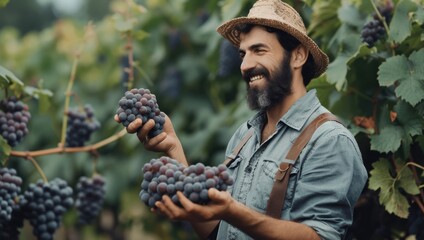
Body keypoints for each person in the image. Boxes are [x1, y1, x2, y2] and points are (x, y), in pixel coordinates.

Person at [116, 0, 368, 239]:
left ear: (298, 56)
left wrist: (232, 212)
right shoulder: (244, 137)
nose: (246, 65)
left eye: (259, 50)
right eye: (242, 54)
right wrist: (173, 147)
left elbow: (320, 236)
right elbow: (218, 232)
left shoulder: (328, 140)